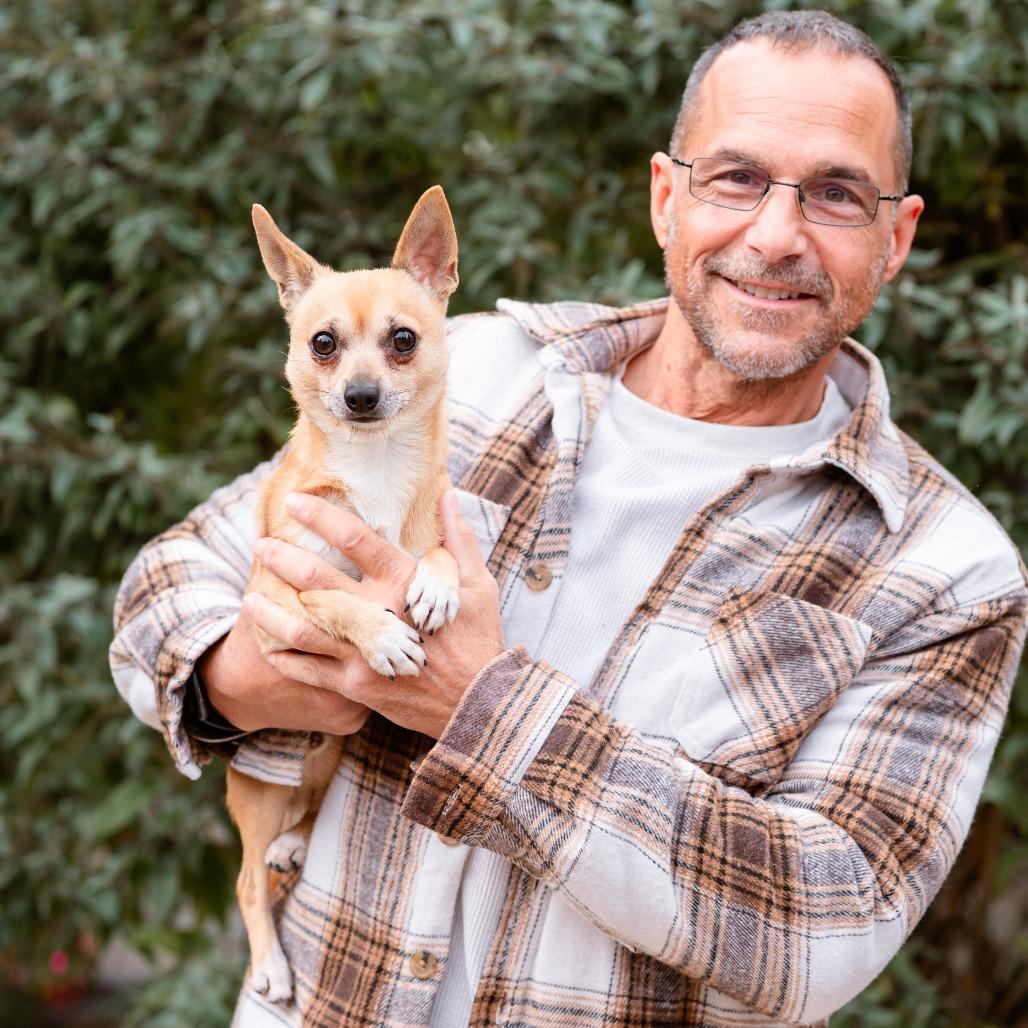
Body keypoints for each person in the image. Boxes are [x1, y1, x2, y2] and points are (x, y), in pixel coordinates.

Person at [110, 10, 1027, 1027]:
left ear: (894, 237)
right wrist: (236, 676)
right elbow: (175, 573)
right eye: (734, 177)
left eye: (835, 193)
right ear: (663, 198)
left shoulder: (947, 568)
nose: (775, 233)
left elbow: (820, 926)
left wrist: (487, 708)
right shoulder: (464, 374)